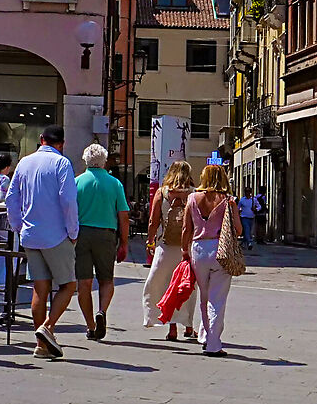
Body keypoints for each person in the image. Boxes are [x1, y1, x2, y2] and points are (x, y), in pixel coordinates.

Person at [4, 125, 82, 359]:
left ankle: (41, 345)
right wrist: (73, 231)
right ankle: (47, 327)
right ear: (62, 144)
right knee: (68, 285)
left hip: (30, 234)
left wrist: (18, 226)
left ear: (41, 140)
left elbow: (11, 198)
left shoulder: (24, 163)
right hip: (56, 234)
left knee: (40, 288)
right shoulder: (62, 163)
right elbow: (68, 199)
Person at [73, 143, 129, 341]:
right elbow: (123, 216)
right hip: (106, 234)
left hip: (81, 234)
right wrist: (124, 243)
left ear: (86, 160)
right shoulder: (115, 184)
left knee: (84, 283)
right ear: (104, 161)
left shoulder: (77, 182)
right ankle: (102, 311)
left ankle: (90, 325)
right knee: (106, 280)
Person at [187, 163, 241, 356]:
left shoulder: (192, 198)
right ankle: (213, 343)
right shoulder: (228, 200)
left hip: (198, 249)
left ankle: (204, 334)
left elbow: (187, 229)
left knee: (204, 295)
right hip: (220, 249)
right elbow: (239, 229)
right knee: (217, 299)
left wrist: (186, 253)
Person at [140, 159, 195, 341]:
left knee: (163, 285)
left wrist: (150, 242)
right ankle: (188, 326)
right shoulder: (194, 194)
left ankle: (171, 327)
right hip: (187, 248)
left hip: (165, 246)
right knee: (187, 287)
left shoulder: (162, 193)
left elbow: (153, 222)